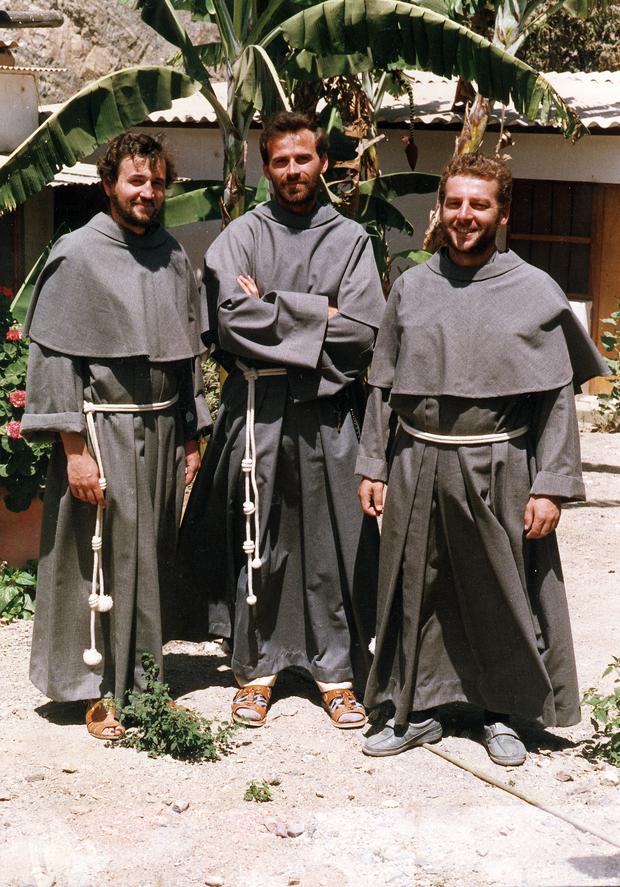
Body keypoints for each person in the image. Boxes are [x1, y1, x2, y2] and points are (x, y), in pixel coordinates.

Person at [357, 153, 609, 765]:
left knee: (502, 590)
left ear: (502, 212)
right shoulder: (413, 287)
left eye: (480, 204)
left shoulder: (534, 289)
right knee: (416, 587)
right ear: (439, 209)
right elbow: (382, 384)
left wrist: (550, 485)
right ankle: (413, 710)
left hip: (499, 464)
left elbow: (554, 399)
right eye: (455, 203)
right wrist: (373, 463)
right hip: (418, 459)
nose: (465, 215)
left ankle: (503, 713)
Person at [175, 111, 385, 729]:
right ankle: (255, 669)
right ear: (265, 167)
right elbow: (232, 320)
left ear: (322, 162)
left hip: (326, 414)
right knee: (256, 537)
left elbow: (363, 332)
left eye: (303, 159)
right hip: (257, 413)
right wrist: (320, 310)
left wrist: (273, 304)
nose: (293, 171)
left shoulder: (350, 238)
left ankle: (336, 672)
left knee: (329, 540)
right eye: (280, 161)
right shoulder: (241, 235)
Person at [21, 132, 210, 740]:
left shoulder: (174, 255)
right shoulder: (76, 254)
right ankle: (94, 687)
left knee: (149, 553)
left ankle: (145, 681)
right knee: (96, 556)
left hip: (160, 427)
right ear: (109, 184)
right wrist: (73, 451)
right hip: (102, 433)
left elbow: (185, 359)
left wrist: (190, 434)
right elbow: (52, 363)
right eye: (135, 180)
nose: (147, 192)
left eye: (157, 182)